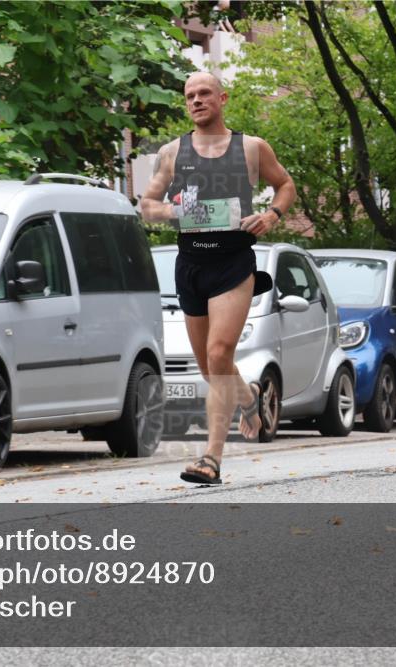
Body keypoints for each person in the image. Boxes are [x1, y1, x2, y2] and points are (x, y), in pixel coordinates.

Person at [141, 71, 296, 484]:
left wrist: (271, 215)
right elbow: (148, 205)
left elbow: (285, 185)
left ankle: (211, 458)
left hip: (233, 263)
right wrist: (174, 210)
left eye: (204, 93)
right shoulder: (172, 152)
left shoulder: (252, 148)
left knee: (218, 352)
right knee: (213, 369)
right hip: (191, 265)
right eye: (189, 95)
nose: (196, 100)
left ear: (222, 98)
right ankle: (249, 396)